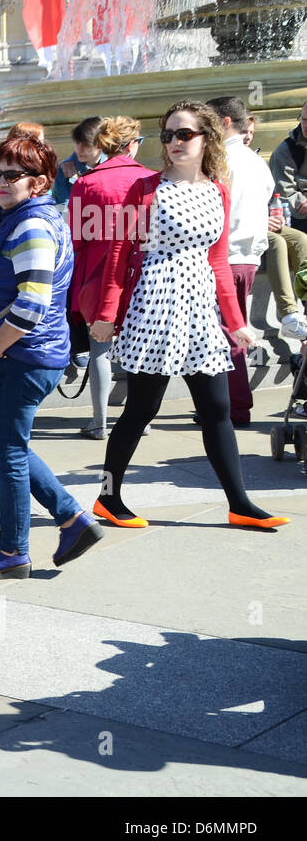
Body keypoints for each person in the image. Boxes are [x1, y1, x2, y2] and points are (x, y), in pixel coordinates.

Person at [90, 100, 288, 530]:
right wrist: (107, 312)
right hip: (155, 305)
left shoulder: (219, 190)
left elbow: (218, 263)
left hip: (199, 311)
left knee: (217, 407)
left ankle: (240, 504)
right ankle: (107, 496)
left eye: (184, 134)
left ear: (208, 138)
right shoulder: (144, 189)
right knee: (141, 410)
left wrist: (236, 322)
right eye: (167, 135)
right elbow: (119, 253)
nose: (174, 142)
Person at [0, 136, 103, 578]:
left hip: (22, 356)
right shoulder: (21, 219)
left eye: (12, 175)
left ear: (39, 183)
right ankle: (72, 520)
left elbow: (32, 304)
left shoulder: (30, 226)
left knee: (7, 453)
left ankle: (13, 550)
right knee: (7, 446)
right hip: (29, 354)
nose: (0, 182)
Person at [67, 116, 152, 440]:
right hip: (141, 273)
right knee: (140, 349)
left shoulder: (86, 184)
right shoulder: (150, 179)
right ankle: (140, 420)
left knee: (99, 349)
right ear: (132, 145)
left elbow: (75, 237)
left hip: (97, 277)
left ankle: (99, 422)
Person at [207, 96, 273, 425]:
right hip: (248, 257)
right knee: (236, 328)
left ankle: (233, 407)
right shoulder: (257, 161)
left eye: (208, 121)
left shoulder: (221, 160)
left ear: (226, 122)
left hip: (224, 257)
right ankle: (227, 403)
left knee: (225, 332)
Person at [270, 100, 307, 232]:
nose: (305, 126)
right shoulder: (286, 151)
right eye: (303, 119)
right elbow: (285, 194)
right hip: (299, 218)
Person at [53, 116, 104, 204]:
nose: (79, 150)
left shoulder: (112, 165)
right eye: (77, 143)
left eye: (86, 145)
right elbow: (64, 206)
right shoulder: (65, 168)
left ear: (101, 144)